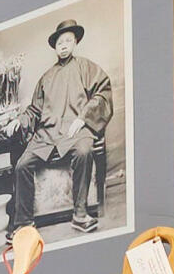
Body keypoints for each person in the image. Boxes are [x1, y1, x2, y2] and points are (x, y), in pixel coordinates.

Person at [17, 19, 114, 235]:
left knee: (84, 151)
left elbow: (102, 93)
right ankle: (24, 223)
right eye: (60, 42)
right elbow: (34, 109)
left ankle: (80, 215)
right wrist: (20, 120)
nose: (63, 46)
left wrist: (83, 117)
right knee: (22, 165)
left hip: (76, 130)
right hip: (47, 134)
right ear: (55, 46)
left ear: (75, 42)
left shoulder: (86, 67)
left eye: (68, 41)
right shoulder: (46, 77)